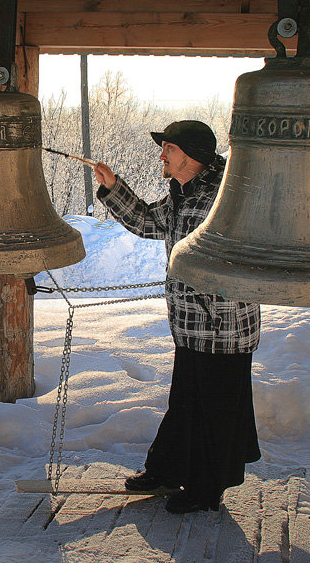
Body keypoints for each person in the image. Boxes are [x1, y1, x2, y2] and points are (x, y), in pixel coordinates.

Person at [93, 120, 261, 514]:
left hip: (223, 326)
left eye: (168, 148)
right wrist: (113, 187)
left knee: (215, 412)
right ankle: (167, 470)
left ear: (191, 156)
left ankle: (206, 490)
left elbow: (245, 252)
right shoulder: (181, 195)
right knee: (186, 403)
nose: (162, 155)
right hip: (190, 325)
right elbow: (147, 222)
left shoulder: (225, 197)